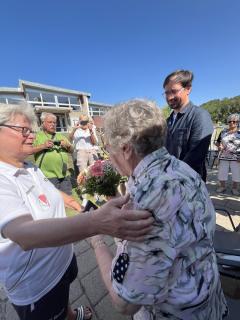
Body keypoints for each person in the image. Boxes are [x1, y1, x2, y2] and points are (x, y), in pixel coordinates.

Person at [0, 103, 154, 320]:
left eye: (31, 130)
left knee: (64, 300)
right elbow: (23, 233)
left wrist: (73, 203)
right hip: (37, 283)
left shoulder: (27, 166)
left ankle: (70, 315)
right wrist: (96, 223)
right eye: (23, 130)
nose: (31, 136)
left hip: (61, 260)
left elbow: (47, 190)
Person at [91, 99, 228, 320]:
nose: (109, 155)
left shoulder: (150, 196)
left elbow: (126, 302)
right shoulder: (179, 167)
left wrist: (97, 240)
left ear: (126, 149)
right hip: (206, 297)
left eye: (108, 147)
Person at [163, 70, 213, 182]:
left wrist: (170, 178)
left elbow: (195, 157)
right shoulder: (167, 121)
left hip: (189, 186)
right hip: (168, 183)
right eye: (166, 93)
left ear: (188, 89)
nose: (170, 97)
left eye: (174, 91)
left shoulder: (199, 116)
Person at [30, 112, 73, 195]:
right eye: (50, 122)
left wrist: (67, 146)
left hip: (64, 174)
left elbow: (71, 151)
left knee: (67, 200)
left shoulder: (61, 136)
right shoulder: (37, 136)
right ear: (43, 123)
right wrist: (43, 146)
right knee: (52, 201)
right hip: (48, 176)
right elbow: (28, 150)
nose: (53, 124)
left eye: (54, 122)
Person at [216, 113, 240, 195]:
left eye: (234, 121)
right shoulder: (223, 132)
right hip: (223, 156)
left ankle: (235, 188)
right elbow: (217, 142)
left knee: (236, 173)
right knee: (222, 172)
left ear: (237, 122)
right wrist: (219, 147)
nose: (231, 123)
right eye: (230, 121)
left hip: (236, 157)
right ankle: (222, 186)